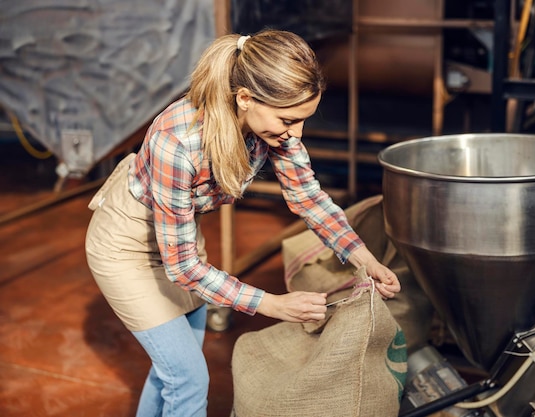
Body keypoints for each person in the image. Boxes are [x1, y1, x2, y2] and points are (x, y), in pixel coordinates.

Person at [85, 29, 401, 417]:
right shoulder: (178, 142)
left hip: (178, 237)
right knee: (188, 381)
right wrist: (274, 305)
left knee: (172, 371)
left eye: (303, 120)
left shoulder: (272, 126)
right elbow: (183, 267)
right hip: (126, 247)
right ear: (246, 98)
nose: (296, 133)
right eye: (289, 120)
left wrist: (363, 257)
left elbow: (308, 198)